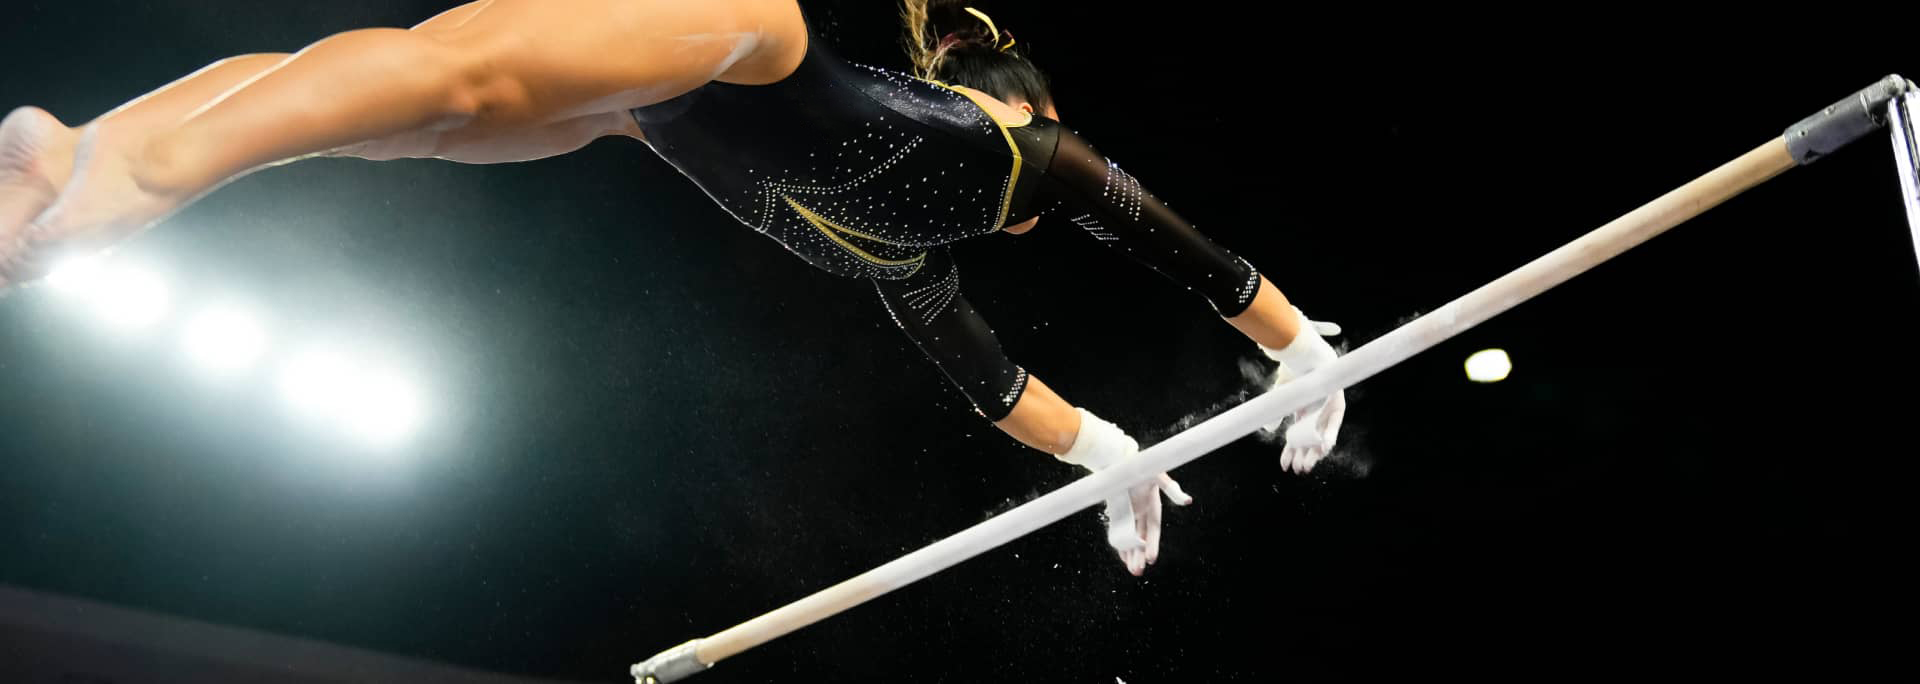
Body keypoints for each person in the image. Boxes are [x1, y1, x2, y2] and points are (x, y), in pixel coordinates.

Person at [0, 0, 1346, 576]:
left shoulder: (896, 259)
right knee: (449, 78)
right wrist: (1300, 354)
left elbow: (989, 383)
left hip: (653, 106)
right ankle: (141, 177)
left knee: (408, 107)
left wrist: (1110, 454)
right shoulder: (1025, 160)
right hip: (739, 39)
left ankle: (86, 158)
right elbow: (1197, 257)